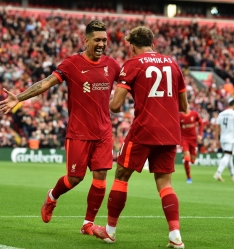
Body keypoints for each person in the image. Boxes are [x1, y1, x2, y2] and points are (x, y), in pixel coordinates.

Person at [0, 20, 121, 235]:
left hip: (103, 132)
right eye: (97, 40)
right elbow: (45, 84)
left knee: (100, 179)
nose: (101, 44)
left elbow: (129, 86)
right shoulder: (72, 63)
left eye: (104, 40)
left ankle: (87, 224)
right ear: (86, 40)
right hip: (79, 132)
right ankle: (52, 197)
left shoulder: (113, 65)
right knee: (75, 178)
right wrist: (20, 98)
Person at [91, 26, 188, 249]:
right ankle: (175, 236)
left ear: (132, 46)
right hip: (170, 130)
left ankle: (110, 231)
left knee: (121, 175)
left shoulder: (133, 64)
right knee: (165, 183)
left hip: (145, 128)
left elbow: (115, 106)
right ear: (152, 43)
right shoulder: (173, 64)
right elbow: (183, 106)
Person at [179, 109, 203, 183]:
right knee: (187, 159)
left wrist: (200, 134)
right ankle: (189, 178)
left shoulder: (194, 114)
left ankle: (189, 157)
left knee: (192, 161)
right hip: (184, 140)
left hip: (193, 140)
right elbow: (177, 128)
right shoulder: (179, 116)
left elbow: (201, 123)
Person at [213, 98, 234, 182]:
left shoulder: (221, 114)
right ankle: (218, 172)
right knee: (227, 156)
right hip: (231, 138)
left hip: (223, 138)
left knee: (229, 157)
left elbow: (217, 127)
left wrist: (217, 139)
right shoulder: (233, 114)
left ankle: (233, 175)